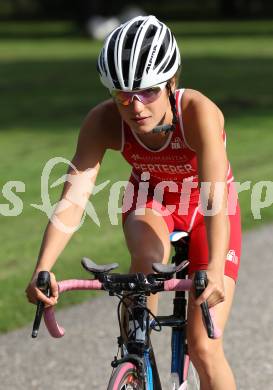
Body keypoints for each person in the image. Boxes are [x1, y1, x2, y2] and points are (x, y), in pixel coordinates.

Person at [26, 15, 241, 390]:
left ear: (171, 82)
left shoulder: (198, 113)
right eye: (123, 93)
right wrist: (43, 267)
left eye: (148, 92)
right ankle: (137, 359)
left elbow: (215, 201)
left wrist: (218, 271)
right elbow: (74, 198)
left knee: (205, 347)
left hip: (208, 214)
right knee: (142, 266)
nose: (135, 106)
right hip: (151, 204)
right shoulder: (104, 121)